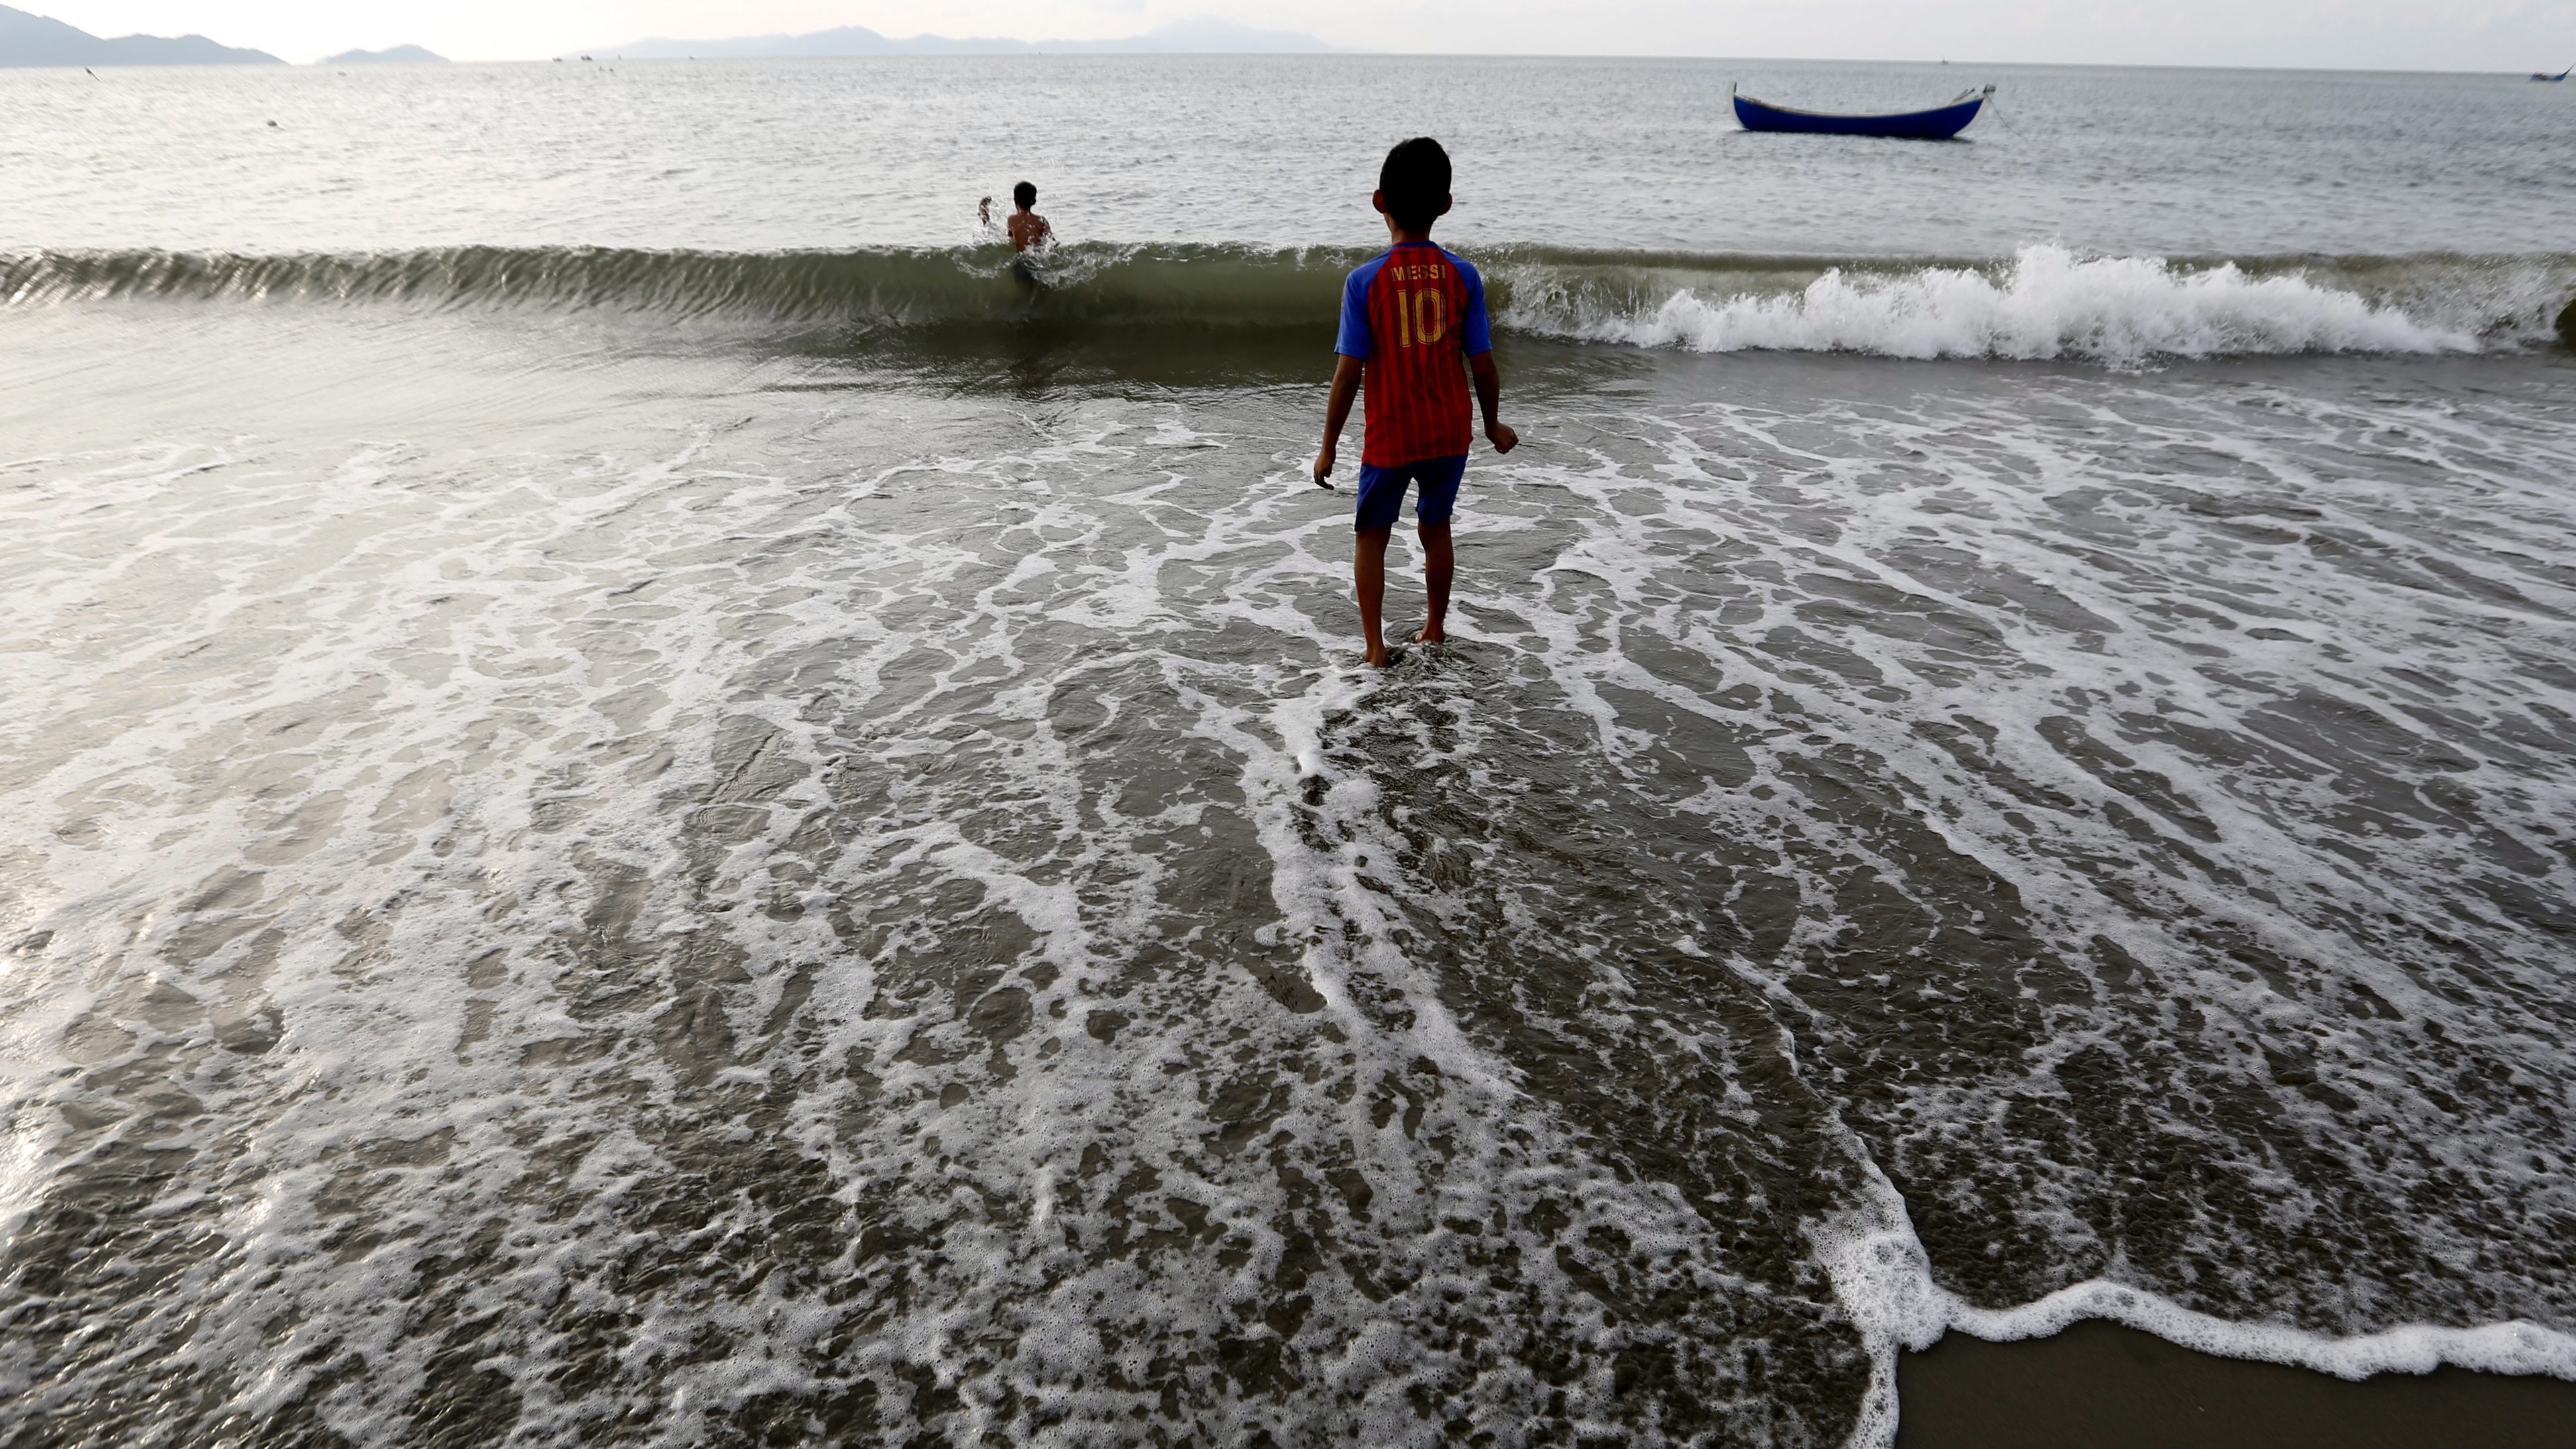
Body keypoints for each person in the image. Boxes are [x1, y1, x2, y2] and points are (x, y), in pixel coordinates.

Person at [1312, 138, 1518, 668]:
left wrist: (1328, 447)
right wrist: (1492, 425)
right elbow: (1484, 365)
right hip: (1448, 433)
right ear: (1445, 205)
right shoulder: (1463, 276)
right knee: (1436, 528)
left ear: (1379, 201)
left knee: (1371, 536)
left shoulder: (1364, 282)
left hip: (1391, 437)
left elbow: (1347, 375)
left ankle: (1376, 649)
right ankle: (1434, 626)